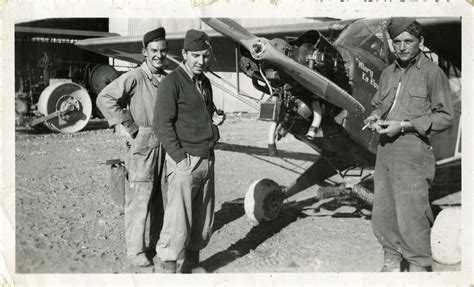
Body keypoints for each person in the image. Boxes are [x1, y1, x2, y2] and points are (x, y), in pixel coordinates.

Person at [364, 18, 453, 272]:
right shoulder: (387, 72)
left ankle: (417, 268)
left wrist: (404, 125)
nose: (402, 47)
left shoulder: (432, 73)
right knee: (383, 213)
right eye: (397, 42)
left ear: (421, 42)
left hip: (414, 153)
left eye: (408, 41)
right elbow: (379, 104)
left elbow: (445, 117)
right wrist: (375, 116)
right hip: (385, 152)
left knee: (412, 217)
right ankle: (391, 263)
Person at [153, 29, 225, 273]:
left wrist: (215, 116)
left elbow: (206, 108)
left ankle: (191, 269)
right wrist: (180, 160)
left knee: (202, 222)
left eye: (205, 56)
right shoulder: (171, 82)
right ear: (184, 54)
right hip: (185, 163)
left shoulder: (203, 81)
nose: (201, 61)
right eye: (195, 55)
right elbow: (161, 124)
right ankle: (169, 272)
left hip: (207, 160)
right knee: (176, 224)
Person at [96, 27, 168, 267]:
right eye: (154, 51)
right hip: (143, 144)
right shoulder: (136, 76)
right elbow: (105, 97)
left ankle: (156, 245)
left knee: (161, 199)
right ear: (144, 52)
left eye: (162, 50)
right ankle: (136, 252)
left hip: (165, 144)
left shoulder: (166, 79)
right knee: (140, 199)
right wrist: (127, 122)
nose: (158, 55)